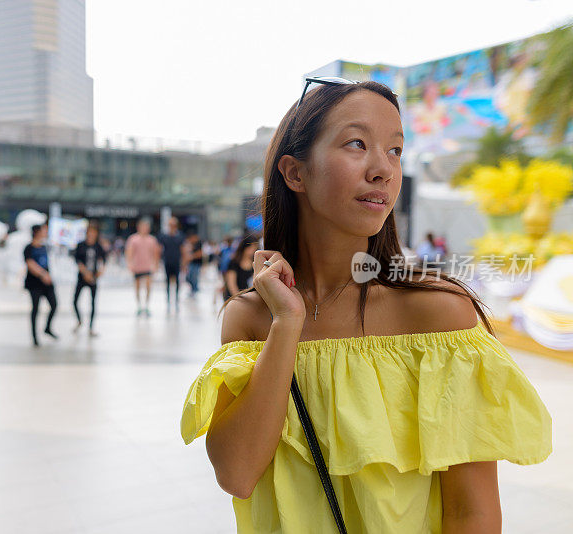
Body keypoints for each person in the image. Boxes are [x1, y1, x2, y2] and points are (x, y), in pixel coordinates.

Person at [180, 79, 551, 533]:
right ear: (295, 173)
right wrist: (287, 324)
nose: (384, 169)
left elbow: (470, 512)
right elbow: (236, 474)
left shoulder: (438, 317)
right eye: (357, 144)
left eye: (395, 150)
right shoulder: (253, 318)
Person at [24, 223, 57, 346]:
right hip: (34, 283)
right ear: (37, 232)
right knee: (35, 309)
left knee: (54, 305)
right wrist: (43, 274)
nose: (46, 232)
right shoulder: (29, 248)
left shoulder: (44, 246)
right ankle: (34, 336)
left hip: (47, 283)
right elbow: (30, 264)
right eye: (44, 230)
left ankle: (47, 328)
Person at [73, 223, 107, 336]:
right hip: (82, 277)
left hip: (93, 277)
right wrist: (85, 273)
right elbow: (77, 260)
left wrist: (100, 271)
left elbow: (103, 260)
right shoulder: (81, 245)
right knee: (75, 301)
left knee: (92, 303)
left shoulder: (98, 246)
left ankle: (91, 327)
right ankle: (79, 320)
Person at [125, 218, 160, 316]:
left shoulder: (152, 239)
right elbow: (129, 252)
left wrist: (156, 265)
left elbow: (156, 253)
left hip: (148, 266)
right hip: (137, 266)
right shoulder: (133, 239)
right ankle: (139, 306)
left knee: (148, 287)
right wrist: (130, 264)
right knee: (137, 287)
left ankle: (147, 306)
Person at [158, 216, 186, 312]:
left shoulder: (180, 236)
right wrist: (158, 262)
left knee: (177, 281)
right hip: (167, 261)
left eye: (173, 224)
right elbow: (160, 249)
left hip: (177, 262)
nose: (172, 226)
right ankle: (168, 300)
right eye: (170, 224)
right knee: (168, 281)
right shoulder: (164, 236)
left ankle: (177, 299)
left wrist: (184, 263)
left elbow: (183, 250)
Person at [223, 235, 258, 301]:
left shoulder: (255, 262)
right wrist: (239, 299)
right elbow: (231, 284)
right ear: (244, 247)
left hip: (249, 298)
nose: (252, 251)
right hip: (235, 298)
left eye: (254, 248)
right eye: (250, 248)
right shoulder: (234, 262)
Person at [184, 232, 203, 296]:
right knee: (189, 277)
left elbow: (200, 253)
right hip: (191, 264)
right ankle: (194, 289)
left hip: (196, 264)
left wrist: (192, 256)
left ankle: (194, 290)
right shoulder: (192, 244)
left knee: (194, 277)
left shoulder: (199, 244)